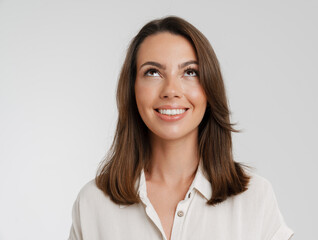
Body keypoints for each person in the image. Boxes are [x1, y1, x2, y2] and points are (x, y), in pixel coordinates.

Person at [68, 16, 294, 240]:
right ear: (132, 89)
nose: (171, 90)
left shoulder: (254, 198)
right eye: (153, 72)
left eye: (190, 72)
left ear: (209, 87)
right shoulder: (92, 203)